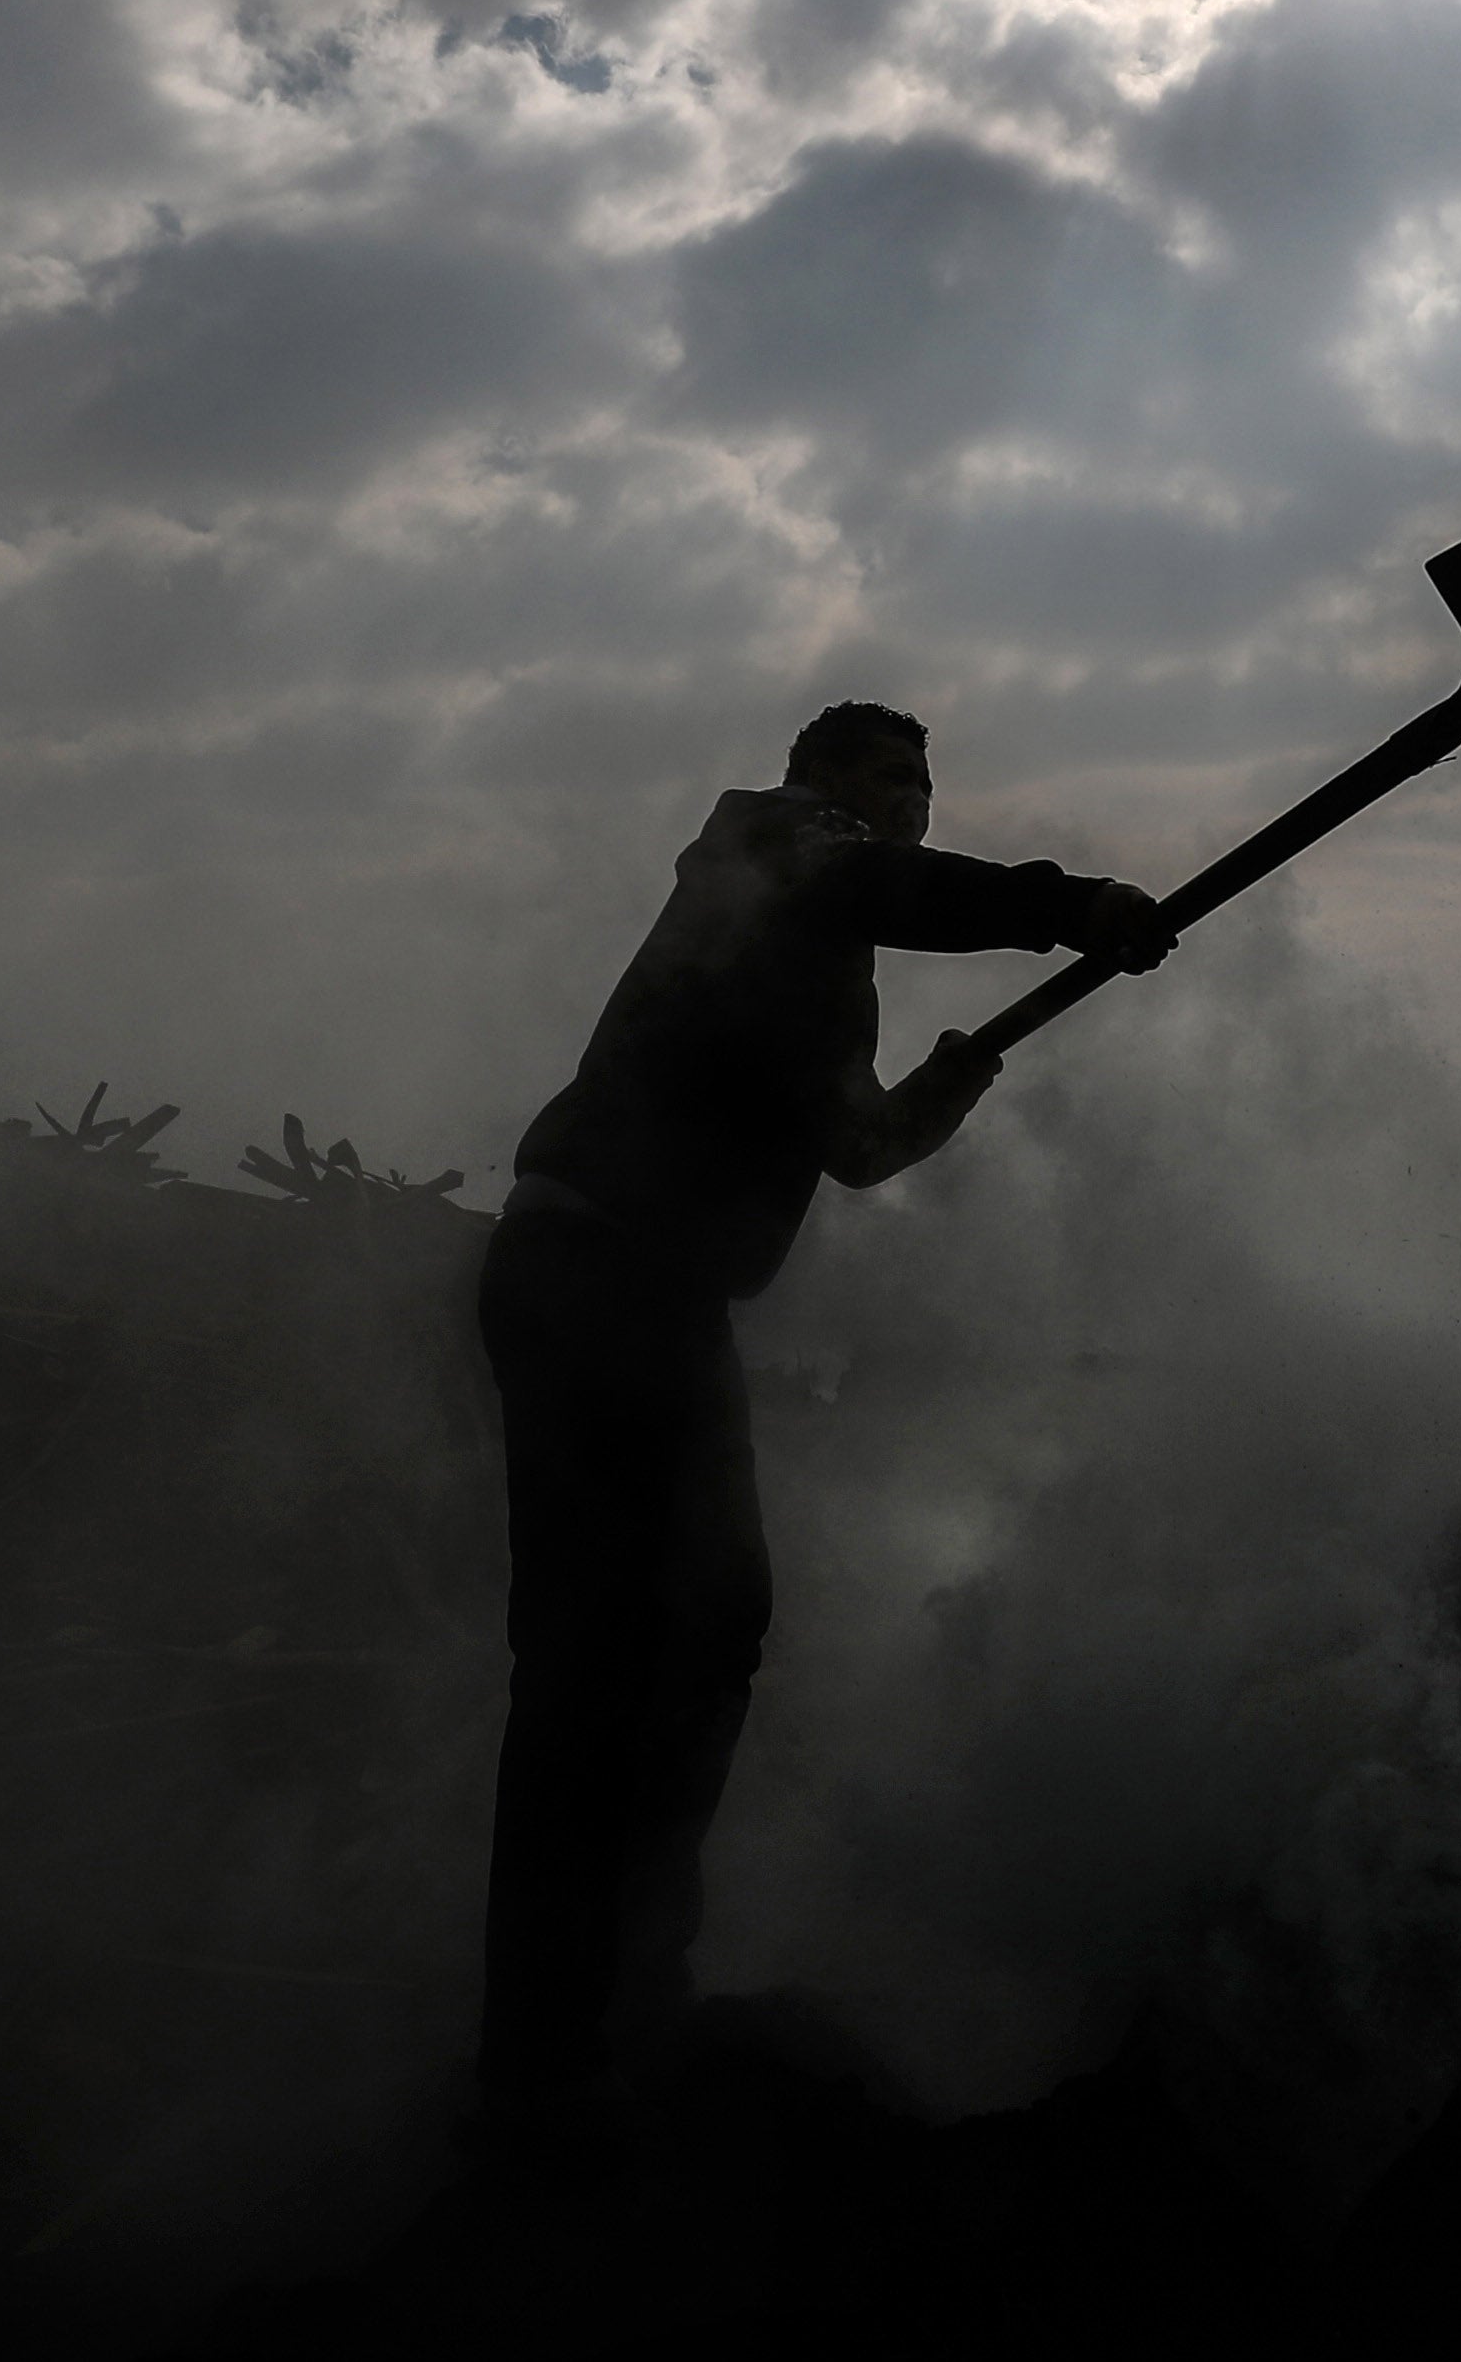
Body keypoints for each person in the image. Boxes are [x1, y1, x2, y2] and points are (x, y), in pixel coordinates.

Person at [472, 701, 1171, 2133]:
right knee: (613, 1657)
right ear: (823, 785)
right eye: (886, 781)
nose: (908, 804)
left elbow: (856, 1149)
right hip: (599, 1271)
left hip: (648, 1298)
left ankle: (607, 2012)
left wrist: (961, 1073)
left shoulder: (814, 964)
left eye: (922, 784)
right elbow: (880, 883)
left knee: (694, 1633)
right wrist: (1070, 906)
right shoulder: (775, 844)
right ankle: (560, 2052)